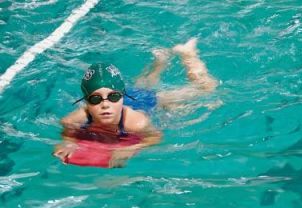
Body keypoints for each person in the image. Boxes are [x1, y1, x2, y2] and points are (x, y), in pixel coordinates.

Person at [53, 38, 220, 168]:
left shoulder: (137, 122)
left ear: (120, 95)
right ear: (87, 102)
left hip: (146, 103)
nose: (104, 105)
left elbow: (155, 137)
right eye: (95, 99)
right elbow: (68, 133)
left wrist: (129, 149)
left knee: (205, 89)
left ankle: (188, 54)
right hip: (128, 98)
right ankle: (160, 61)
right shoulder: (73, 120)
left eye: (112, 97)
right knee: (141, 85)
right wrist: (69, 143)